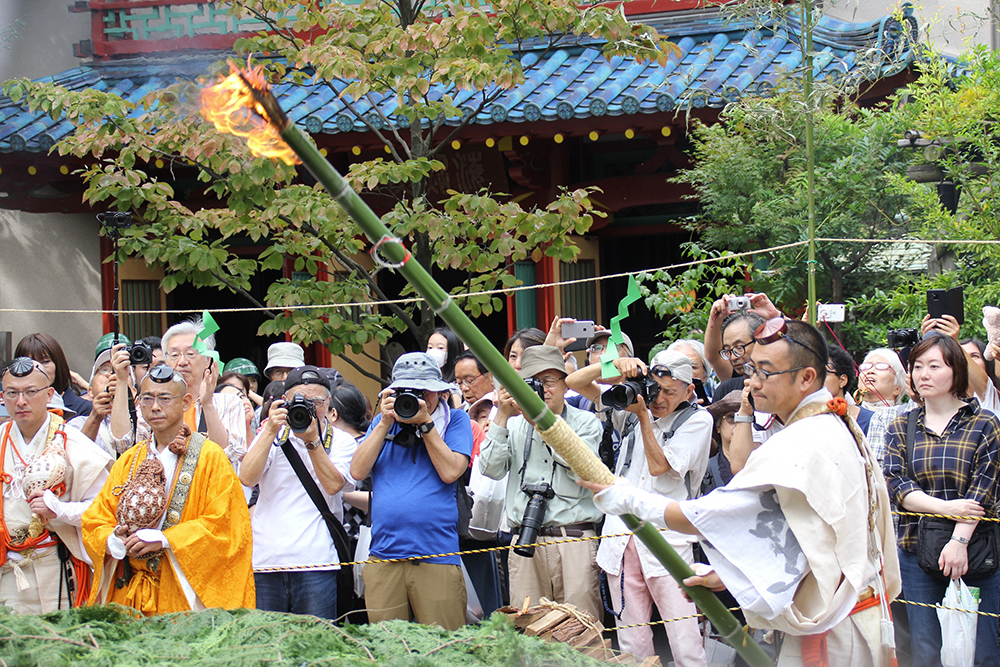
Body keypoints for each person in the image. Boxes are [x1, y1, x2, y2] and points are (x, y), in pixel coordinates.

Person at [582, 319, 901, 667]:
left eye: (766, 372)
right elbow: (805, 534)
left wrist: (627, 498)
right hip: (848, 612)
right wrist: (735, 574)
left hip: (837, 628)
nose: (753, 382)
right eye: (751, 370)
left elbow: (709, 515)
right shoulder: (833, 421)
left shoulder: (806, 439)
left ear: (807, 378)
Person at [82, 365, 254, 615]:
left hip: (181, 594)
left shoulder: (210, 457)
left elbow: (227, 526)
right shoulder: (129, 459)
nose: (155, 407)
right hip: (129, 592)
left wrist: (165, 539)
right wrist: (113, 539)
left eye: (164, 398)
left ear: (186, 402)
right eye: (147, 398)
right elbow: (95, 519)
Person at [883, 334, 1000, 667]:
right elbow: (898, 486)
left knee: (985, 647)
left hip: (977, 546)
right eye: (918, 366)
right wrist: (947, 508)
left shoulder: (985, 424)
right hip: (915, 547)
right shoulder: (900, 426)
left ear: (956, 372)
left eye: (934, 366)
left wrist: (959, 540)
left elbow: (984, 489)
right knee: (923, 648)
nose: (924, 374)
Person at [590, 350, 712, 665]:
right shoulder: (629, 405)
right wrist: (615, 367)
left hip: (668, 541)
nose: (659, 399)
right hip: (620, 538)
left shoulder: (698, 420)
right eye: (656, 389)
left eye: (670, 392)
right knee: (631, 641)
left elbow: (661, 467)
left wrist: (644, 416)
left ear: (689, 390)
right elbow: (575, 382)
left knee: (684, 640)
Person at [350, 352, 473, 630]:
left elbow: (452, 471)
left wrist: (425, 424)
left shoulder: (454, 421)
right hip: (384, 555)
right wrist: (383, 423)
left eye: (424, 391)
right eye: (410, 391)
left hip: (436, 554)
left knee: (444, 649)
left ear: (439, 392)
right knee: (389, 650)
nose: (418, 399)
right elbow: (357, 471)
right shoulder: (383, 422)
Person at [479, 345, 603, 618]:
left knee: (582, 630)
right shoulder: (511, 424)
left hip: (574, 540)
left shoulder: (586, 422)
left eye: (549, 381)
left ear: (563, 384)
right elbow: (489, 469)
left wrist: (543, 424)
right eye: (534, 383)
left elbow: (582, 469)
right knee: (528, 631)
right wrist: (500, 414)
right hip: (524, 542)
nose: (543, 389)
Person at [239, 366, 358, 619]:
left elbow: (333, 485)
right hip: (266, 561)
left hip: (318, 561)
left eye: (317, 401)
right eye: (300, 401)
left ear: (329, 404)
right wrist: (270, 430)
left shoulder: (341, 440)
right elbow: (247, 477)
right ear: (285, 402)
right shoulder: (271, 435)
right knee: (269, 647)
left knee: (316, 647)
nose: (310, 407)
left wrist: (312, 441)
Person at [0, 357, 112, 613]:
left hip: (57, 567)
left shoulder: (72, 440)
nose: (21, 401)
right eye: (12, 393)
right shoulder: (1, 439)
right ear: (2, 397)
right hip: (6, 569)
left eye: (30, 392)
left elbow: (104, 510)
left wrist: (59, 510)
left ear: (49, 394)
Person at [145, 319, 247, 468]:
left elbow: (228, 455)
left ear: (207, 360)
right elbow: (125, 445)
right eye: (174, 355)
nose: (182, 361)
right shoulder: (152, 405)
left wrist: (207, 404)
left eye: (190, 354)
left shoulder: (229, 402)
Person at [66, 339, 133, 457]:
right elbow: (75, 461)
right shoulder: (76, 425)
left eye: (123, 370)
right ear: (90, 391)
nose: (113, 375)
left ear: (134, 388)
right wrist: (94, 418)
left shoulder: (146, 419)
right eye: (105, 369)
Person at [15, 332, 93, 418]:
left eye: (45, 362)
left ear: (58, 363)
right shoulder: (11, 407)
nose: (38, 368)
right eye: (29, 363)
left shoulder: (84, 409)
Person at [825, 344, 875, 435]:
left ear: (842, 380)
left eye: (824, 374)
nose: (816, 380)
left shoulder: (871, 421)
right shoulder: (805, 418)